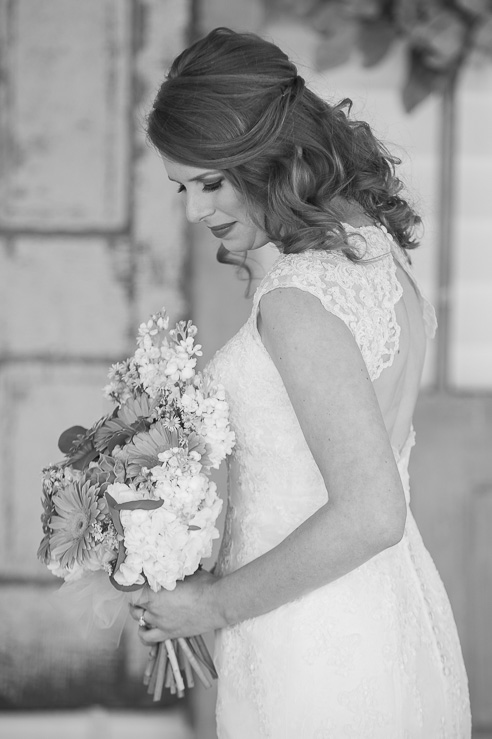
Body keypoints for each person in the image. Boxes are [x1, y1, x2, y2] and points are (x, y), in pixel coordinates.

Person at [129, 27, 471, 738]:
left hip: (312, 639)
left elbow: (371, 513)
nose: (193, 211)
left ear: (270, 156)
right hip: (379, 609)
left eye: (211, 183)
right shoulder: (370, 251)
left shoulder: (296, 299)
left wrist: (209, 605)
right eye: (182, 186)